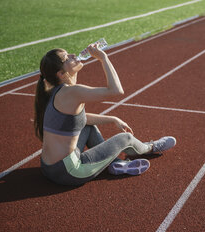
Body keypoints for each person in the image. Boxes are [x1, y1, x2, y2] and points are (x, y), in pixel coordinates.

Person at [34, 43, 176, 186]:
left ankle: (116, 164)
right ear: (61, 74)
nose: (72, 55)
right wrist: (103, 57)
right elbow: (116, 90)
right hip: (69, 172)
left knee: (88, 127)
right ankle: (151, 147)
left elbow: (79, 120)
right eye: (67, 58)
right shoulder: (73, 92)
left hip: (48, 168)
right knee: (125, 138)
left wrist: (112, 119)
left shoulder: (55, 91)